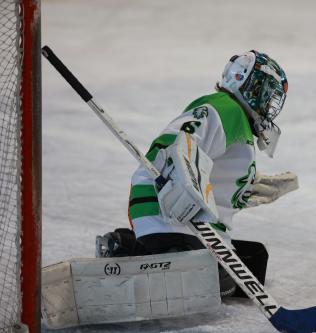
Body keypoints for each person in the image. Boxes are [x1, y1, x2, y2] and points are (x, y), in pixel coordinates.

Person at [95, 50, 297, 297]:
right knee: (201, 284)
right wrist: (181, 181)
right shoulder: (225, 108)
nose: (268, 104)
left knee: (252, 264)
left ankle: (136, 247)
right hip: (171, 214)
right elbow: (178, 140)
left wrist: (248, 187)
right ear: (247, 84)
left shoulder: (240, 124)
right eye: (266, 93)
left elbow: (213, 173)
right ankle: (124, 251)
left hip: (195, 226)